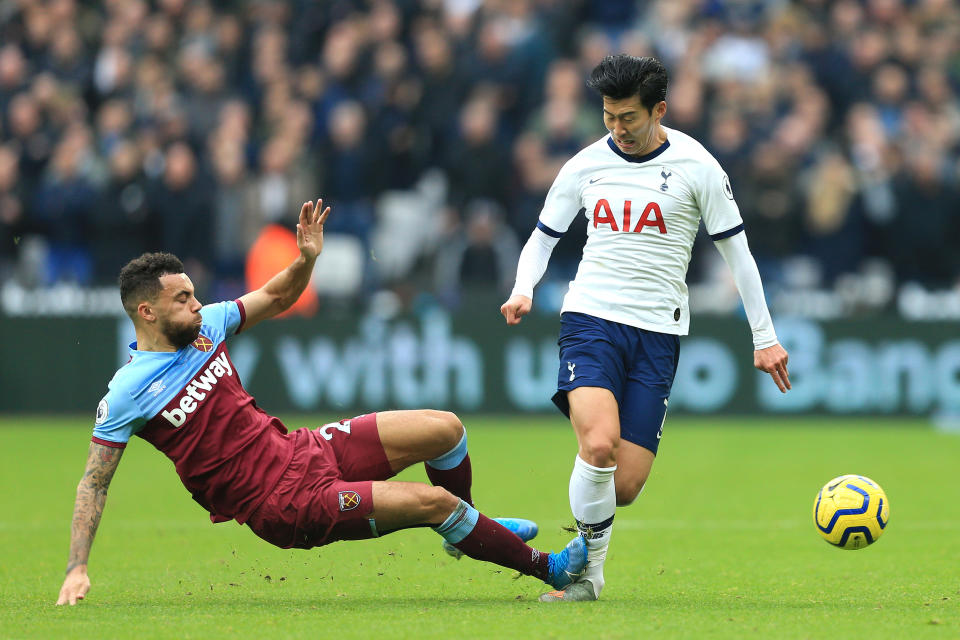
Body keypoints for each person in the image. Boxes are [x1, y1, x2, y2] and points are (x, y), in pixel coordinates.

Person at [56, 198, 587, 606]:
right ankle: (551, 571)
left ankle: (470, 531)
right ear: (146, 313)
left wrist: (306, 259)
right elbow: (93, 482)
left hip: (301, 450)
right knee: (436, 505)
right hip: (281, 505)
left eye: (195, 294)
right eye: (183, 299)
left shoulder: (206, 325)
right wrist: (76, 566)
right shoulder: (127, 392)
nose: (198, 304)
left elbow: (277, 296)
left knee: (443, 428)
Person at [500, 55, 791, 602]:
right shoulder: (585, 165)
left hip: (658, 333)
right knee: (599, 443)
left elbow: (739, 256)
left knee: (624, 485)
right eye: (609, 116)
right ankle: (586, 576)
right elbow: (543, 236)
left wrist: (764, 336)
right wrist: (524, 288)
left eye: (629, 117)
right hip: (590, 320)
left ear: (659, 109)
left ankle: (520, 533)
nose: (618, 129)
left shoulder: (698, 166)